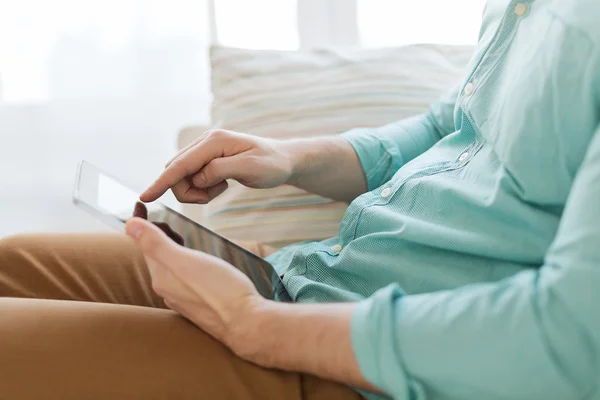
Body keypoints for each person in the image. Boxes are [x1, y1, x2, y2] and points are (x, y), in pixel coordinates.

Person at [1, 1, 599, 399]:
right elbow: (455, 124)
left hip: (366, 366)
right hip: (311, 275)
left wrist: (255, 326)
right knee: (13, 263)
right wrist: (289, 159)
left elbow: (574, 342)